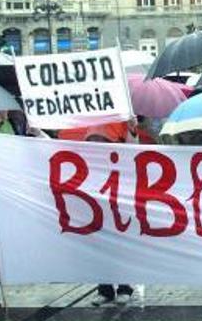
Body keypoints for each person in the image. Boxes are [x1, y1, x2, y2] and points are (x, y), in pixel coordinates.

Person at [84, 130, 136, 307]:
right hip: (96, 215)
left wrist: (131, 130)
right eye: (91, 140)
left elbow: (134, 151)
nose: (95, 143)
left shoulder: (119, 158)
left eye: (98, 139)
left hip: (118, 214)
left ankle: (124, 288)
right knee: (99, 253)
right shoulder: (86, 161)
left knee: (119, 251)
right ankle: (104, 290)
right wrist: (38, 134)